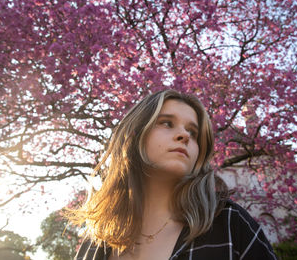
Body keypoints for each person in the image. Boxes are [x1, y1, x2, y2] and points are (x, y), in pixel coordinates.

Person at [70, 89, 277, 260]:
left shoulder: (229, 223)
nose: (184, 136)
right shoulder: (95, 243)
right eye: (167, 123)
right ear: (135, 135)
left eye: (193, 133)